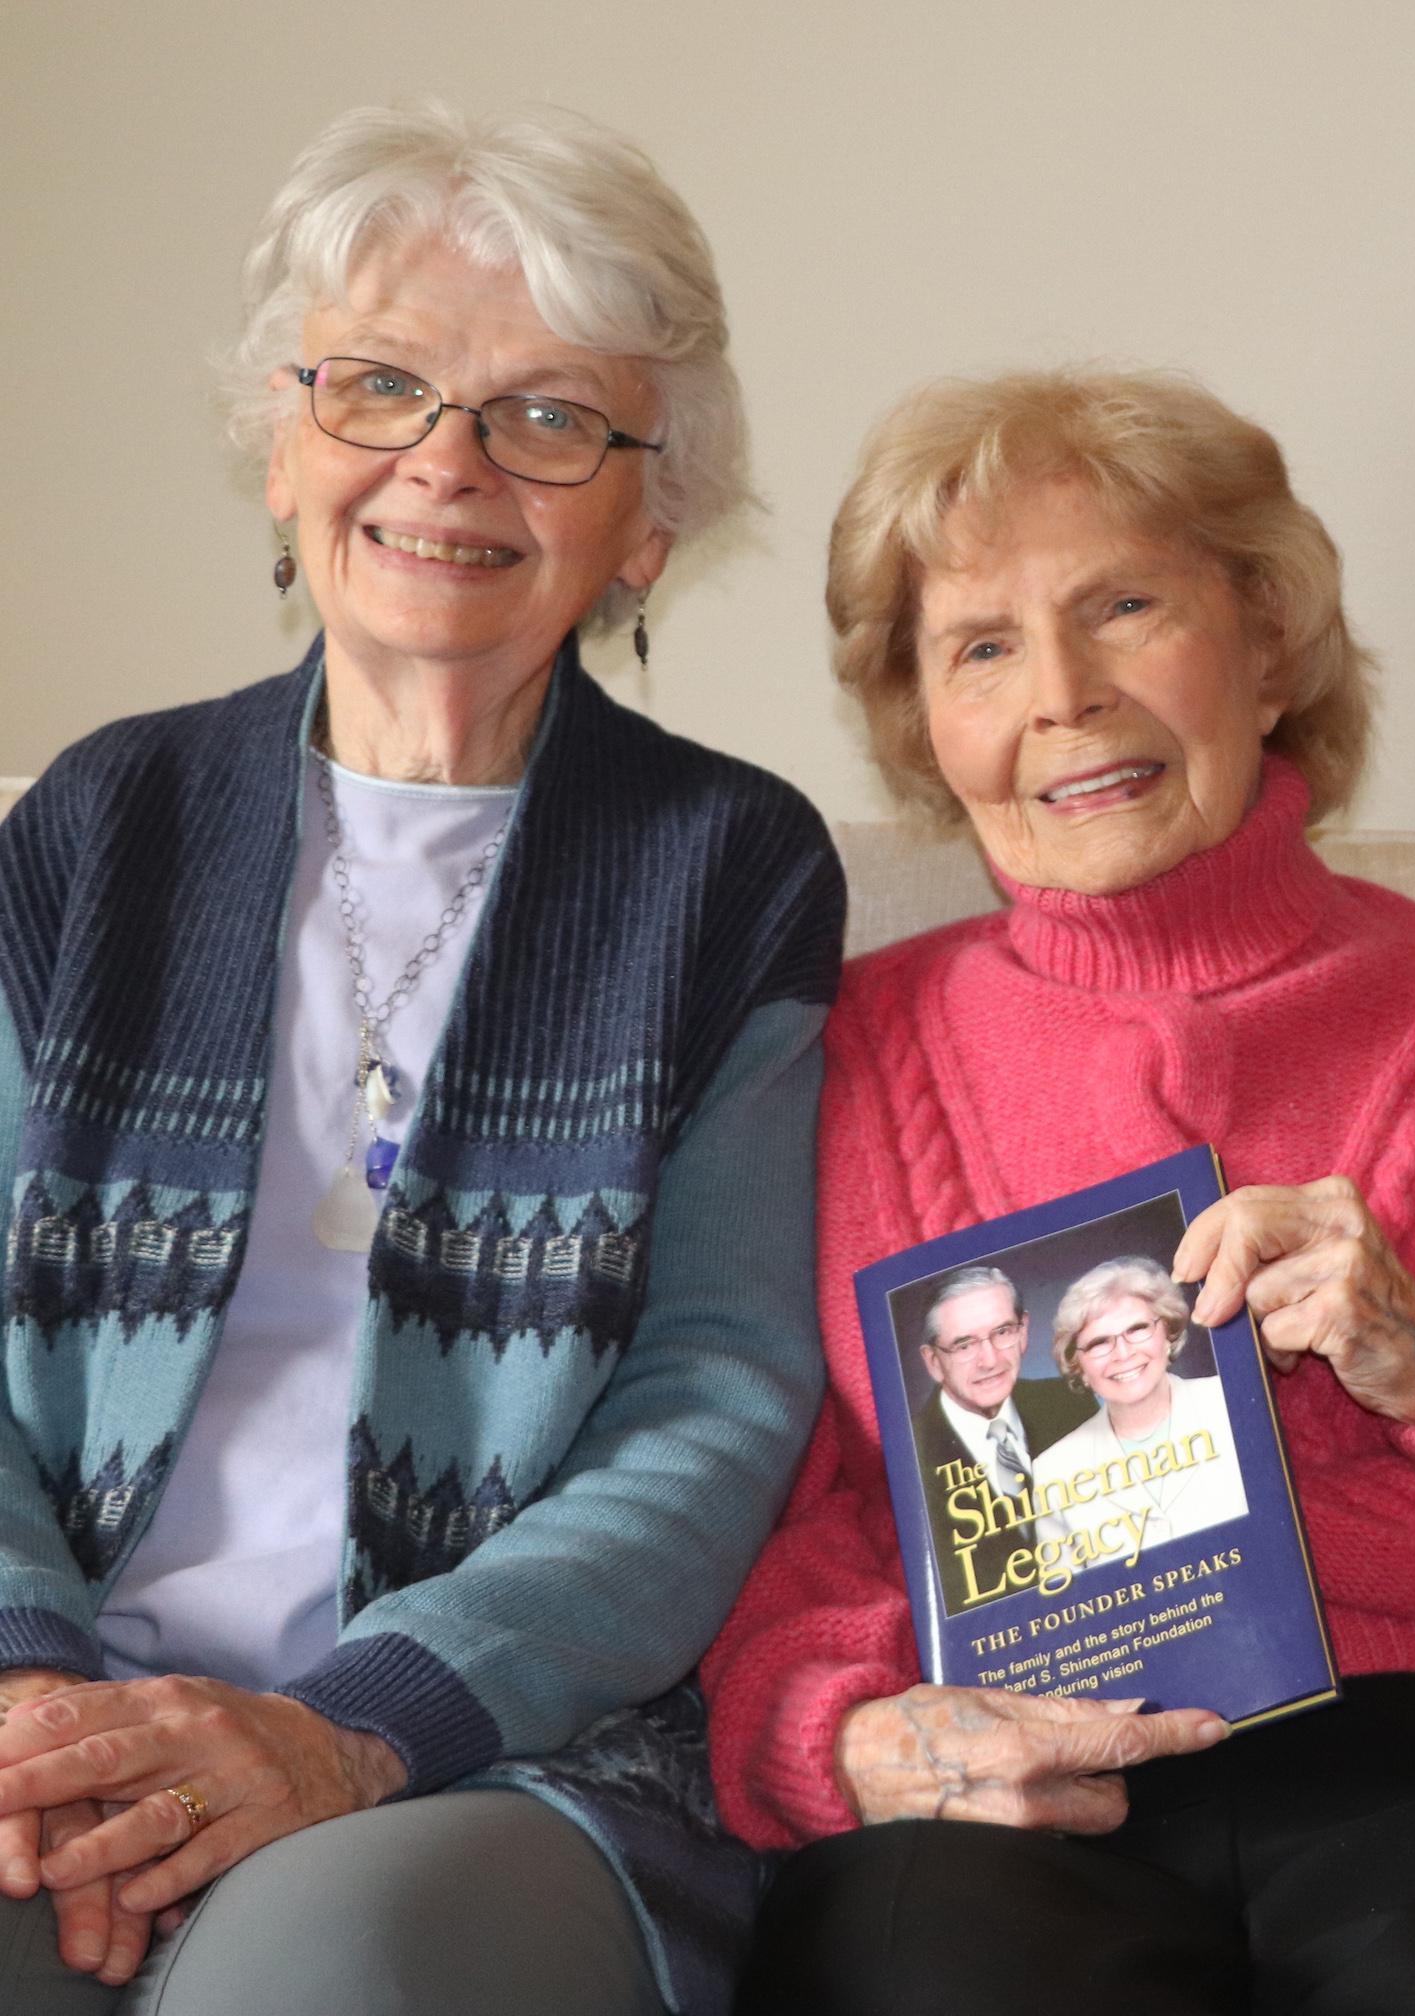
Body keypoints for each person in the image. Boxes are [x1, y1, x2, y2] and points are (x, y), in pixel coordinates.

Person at [703, 368, 1415, 2016]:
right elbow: (754, 1557)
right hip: (1012, 1794)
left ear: (1269, 639)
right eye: (982, 647)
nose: (1063, 696)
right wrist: (848, 1735)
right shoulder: (836, 1053)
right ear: (920, 721)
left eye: (1123, 605)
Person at [0, 105, 843, 2015]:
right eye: (381, 387)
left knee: (334, 1974)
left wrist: (356, 1723)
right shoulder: (98, 824)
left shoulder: (725, 868)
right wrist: (39, 1689)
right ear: (284, 442)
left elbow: (714, 1400)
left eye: (548, 417)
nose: (445, 465)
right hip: (56, 1687)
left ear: (648, 519)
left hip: (509, 1749)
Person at [1029, 1258, 1249, 1556]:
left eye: (1137, 1329)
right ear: (1078, 1365)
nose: (1123, 1353)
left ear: (1168, 1336)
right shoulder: (1052, 1471)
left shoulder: (1232, 1401)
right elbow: (1068, 1592)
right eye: (1099, 1343)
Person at [908, 1266, 1094, 1612]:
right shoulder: (911, 1457)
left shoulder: (1068, 1401)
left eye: (1003, 1332)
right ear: (933, 1362)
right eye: (964, 1345)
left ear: (1023, 1332)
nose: (990, 1360)